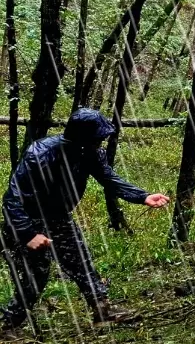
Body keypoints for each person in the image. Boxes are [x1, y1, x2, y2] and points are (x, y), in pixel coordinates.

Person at [0, 109, 170, 338]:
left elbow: (108, 177)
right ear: (81, 137)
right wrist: (28, 234)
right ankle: (9, 326)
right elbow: (12, 199)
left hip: (59, 217)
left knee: (81, 261)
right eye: (97, 138)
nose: (100, 143)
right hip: (27, 219)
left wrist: (142, 196)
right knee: (36, 276)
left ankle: (102, 310)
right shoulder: (40, 154)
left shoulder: (90, 153)